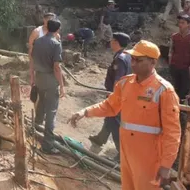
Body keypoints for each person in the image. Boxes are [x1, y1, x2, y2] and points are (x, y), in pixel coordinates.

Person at [69, 40, 181, 190]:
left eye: (138, 60)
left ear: (152, 62)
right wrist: (85, 112)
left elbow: (172, 133)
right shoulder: (125, 84)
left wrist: (166, 165)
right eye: (132, 59)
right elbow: (109, 106)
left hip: (149, 159)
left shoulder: (164, 91)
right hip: (127, 153)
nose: (133, 63)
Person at [88, 33, 132, 161]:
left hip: (118, 95)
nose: (110, 42)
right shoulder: (127, 56)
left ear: (116, 42)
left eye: (112, 40)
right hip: (123, 94)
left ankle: (121, 153)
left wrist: (113, 94)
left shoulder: (120, 59)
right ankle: (100, 138)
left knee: (114, 122)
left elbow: (118, 79)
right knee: (110, 118)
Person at [30, 19, 66, 154]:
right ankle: (48, 145)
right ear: (57, 30)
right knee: (51, 111)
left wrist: (32, 78)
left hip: (39, 77)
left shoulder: (38, 41)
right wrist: (62, 85)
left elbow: (32, 60)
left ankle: (35, 131)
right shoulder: (56, 44)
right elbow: (57, 67)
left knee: (41, 105)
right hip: (50, 79)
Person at [168, 14, 190, 101]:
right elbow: (171, 51)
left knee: (185, 90)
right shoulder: (174, 37)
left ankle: (182, 110)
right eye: (179, 22)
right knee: (174, 88)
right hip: (175, 66)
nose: (180, 25)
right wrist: (170, 64)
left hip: (187, 68)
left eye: (183, 23)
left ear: (188, 24)